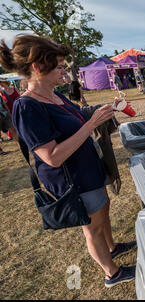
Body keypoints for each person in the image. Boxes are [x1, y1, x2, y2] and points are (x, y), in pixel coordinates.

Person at [0, 34, 136, 287]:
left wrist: (104, 109)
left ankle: (112, 247)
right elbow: (51, 157)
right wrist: (92, 124)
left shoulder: (54, 95)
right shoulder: (26, 107)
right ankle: (112, 274)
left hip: (88, 168)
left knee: (103, 211)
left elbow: (76, 117)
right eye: (59, 66)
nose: (64, 72)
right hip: (74, 179)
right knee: (93, 227)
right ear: (38, 67)